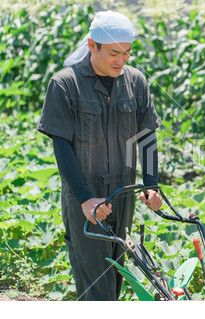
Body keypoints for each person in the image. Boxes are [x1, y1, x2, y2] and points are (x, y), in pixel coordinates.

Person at [38, 11, 162, 301]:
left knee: (116, 278)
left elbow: (147, 136)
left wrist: (151, 184)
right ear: (92, 45)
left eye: (127, 53)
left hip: (124, 193)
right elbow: (62, 147)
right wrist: (85, 199)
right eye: (114, 53)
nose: (121, 61)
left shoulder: (135, 82)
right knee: (96, 286)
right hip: (87, 194)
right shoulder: (65, 83)